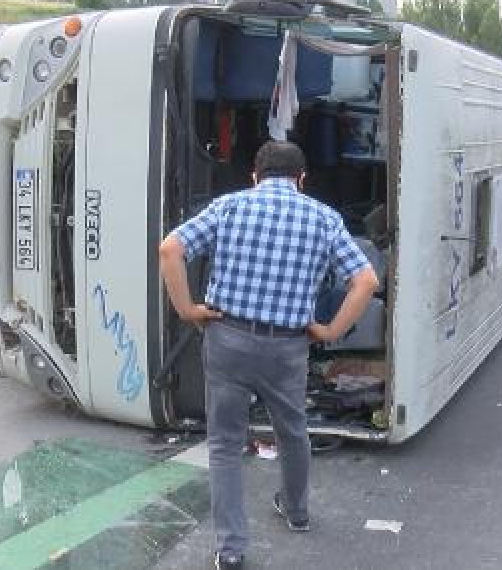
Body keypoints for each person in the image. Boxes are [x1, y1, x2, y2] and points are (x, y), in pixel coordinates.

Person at [158, 140, 378, 569]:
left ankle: (232, 549)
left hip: (228, 339)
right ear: (302, 179)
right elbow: (365, 281)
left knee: (224, 443)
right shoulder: (324, 218)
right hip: (288, 347)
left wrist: (187, 309)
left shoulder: (229, 207)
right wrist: (330, 329)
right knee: (292, 431)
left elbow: (170, 249)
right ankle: (296, 512)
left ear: (255, 176)